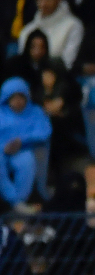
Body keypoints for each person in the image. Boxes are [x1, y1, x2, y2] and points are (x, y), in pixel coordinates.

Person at [0, 77, 52, 207]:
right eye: (14, 98)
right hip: (2, 151)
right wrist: (3, 148)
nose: (18, 101)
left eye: (21, 97)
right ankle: (12, 198)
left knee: (27, 161)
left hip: (23, 150)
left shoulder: (36, 112)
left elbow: (45, 131)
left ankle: (19, 201)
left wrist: (22, 141)